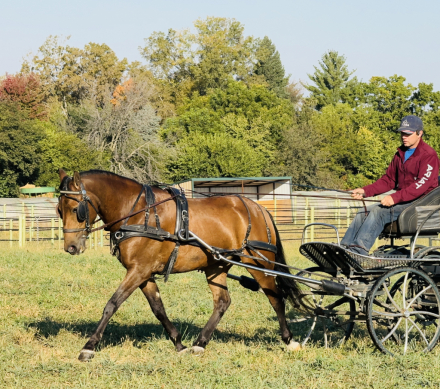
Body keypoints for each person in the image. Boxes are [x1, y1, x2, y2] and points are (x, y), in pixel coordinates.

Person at [341, 115, 440, 256]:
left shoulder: (428, 155)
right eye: (402, 133)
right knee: (363, 211)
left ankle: (358, 252)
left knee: (378, 212)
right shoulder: (400, 154)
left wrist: (395, 198)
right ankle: (344, 250)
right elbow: (389, 180)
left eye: (408, 134)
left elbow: (421, 185)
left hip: (420, 203)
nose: (404, 137)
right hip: (405, 200)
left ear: (420, 133)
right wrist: (365, 191)